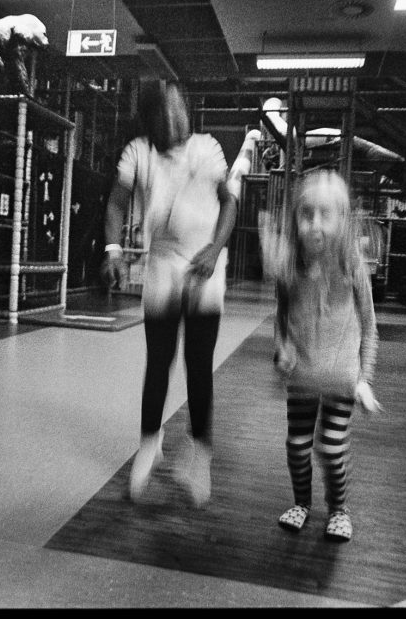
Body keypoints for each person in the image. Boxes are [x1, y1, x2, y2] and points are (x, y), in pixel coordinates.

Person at [101, 80, 240, 508]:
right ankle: (149, 442)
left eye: (180, 106)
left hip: (204, 267)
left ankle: (201, 452)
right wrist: (113, 250)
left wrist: (216, 250)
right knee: (158, 364)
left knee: (198, 366)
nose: (177, 115)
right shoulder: (138, 153)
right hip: (161, 265)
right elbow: (116, 203)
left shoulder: (207, 147)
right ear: (151, 118)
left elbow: (229, 202)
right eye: (167, 109)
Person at [261, 169, 382, 542]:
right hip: (302, 376)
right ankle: (302, 503)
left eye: (325, 215)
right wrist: (281, 347)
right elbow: (281, 318)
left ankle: (339, 509)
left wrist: (364, 379)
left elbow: (369, 325)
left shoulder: (351, 267)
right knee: (297, 446)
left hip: (341, 378)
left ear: (343, 220)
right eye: (306, 213)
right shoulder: (290, 270)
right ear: (295, 218)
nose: (314, 224)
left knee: (330, 447)